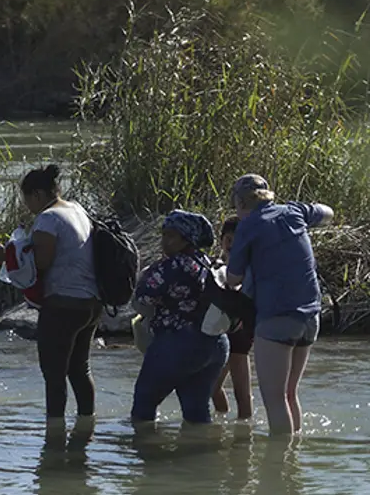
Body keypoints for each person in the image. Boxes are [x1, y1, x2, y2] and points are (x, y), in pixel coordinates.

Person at [0, 164, 102, 426]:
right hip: (91, 302)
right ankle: (86, 428)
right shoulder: (76, 209)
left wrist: (5, 256)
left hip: (64, 303)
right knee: (80, 369)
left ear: (36, 194)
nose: (26, 205)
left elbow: (42, 261)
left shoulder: (48, 218)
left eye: (26, 198)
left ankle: (54, 436)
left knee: (54, 373)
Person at [225, 174, 334, 435]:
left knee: (274, 400)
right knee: (289, 393)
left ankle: (278, 470)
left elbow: (232, 278)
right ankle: (292, 462)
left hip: (276, 318)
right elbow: (328, 213)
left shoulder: (248, 226)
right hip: (310, 317)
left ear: (239, 203)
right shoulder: (294, 211)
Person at [130, 210, 230, 425]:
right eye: (164, 234)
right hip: (215, 344)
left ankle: (146, 453)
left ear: (187, 239)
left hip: (177, 344)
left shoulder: (170, 267)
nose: (164, 241)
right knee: (197, 412)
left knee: (143, 406)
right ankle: (202, 455)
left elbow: (141, 301)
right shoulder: (210, 265)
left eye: (171, 236)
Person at [211, 216, 255, 419]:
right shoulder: (215, 267)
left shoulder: (251, 269)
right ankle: (221, 422)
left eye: (237, 240)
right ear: (221, 241)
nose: (232, 244)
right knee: (212, 387)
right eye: (228, 239)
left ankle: (245, 436)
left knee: (242, 394)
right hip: (221, 334)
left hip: (241, 335)